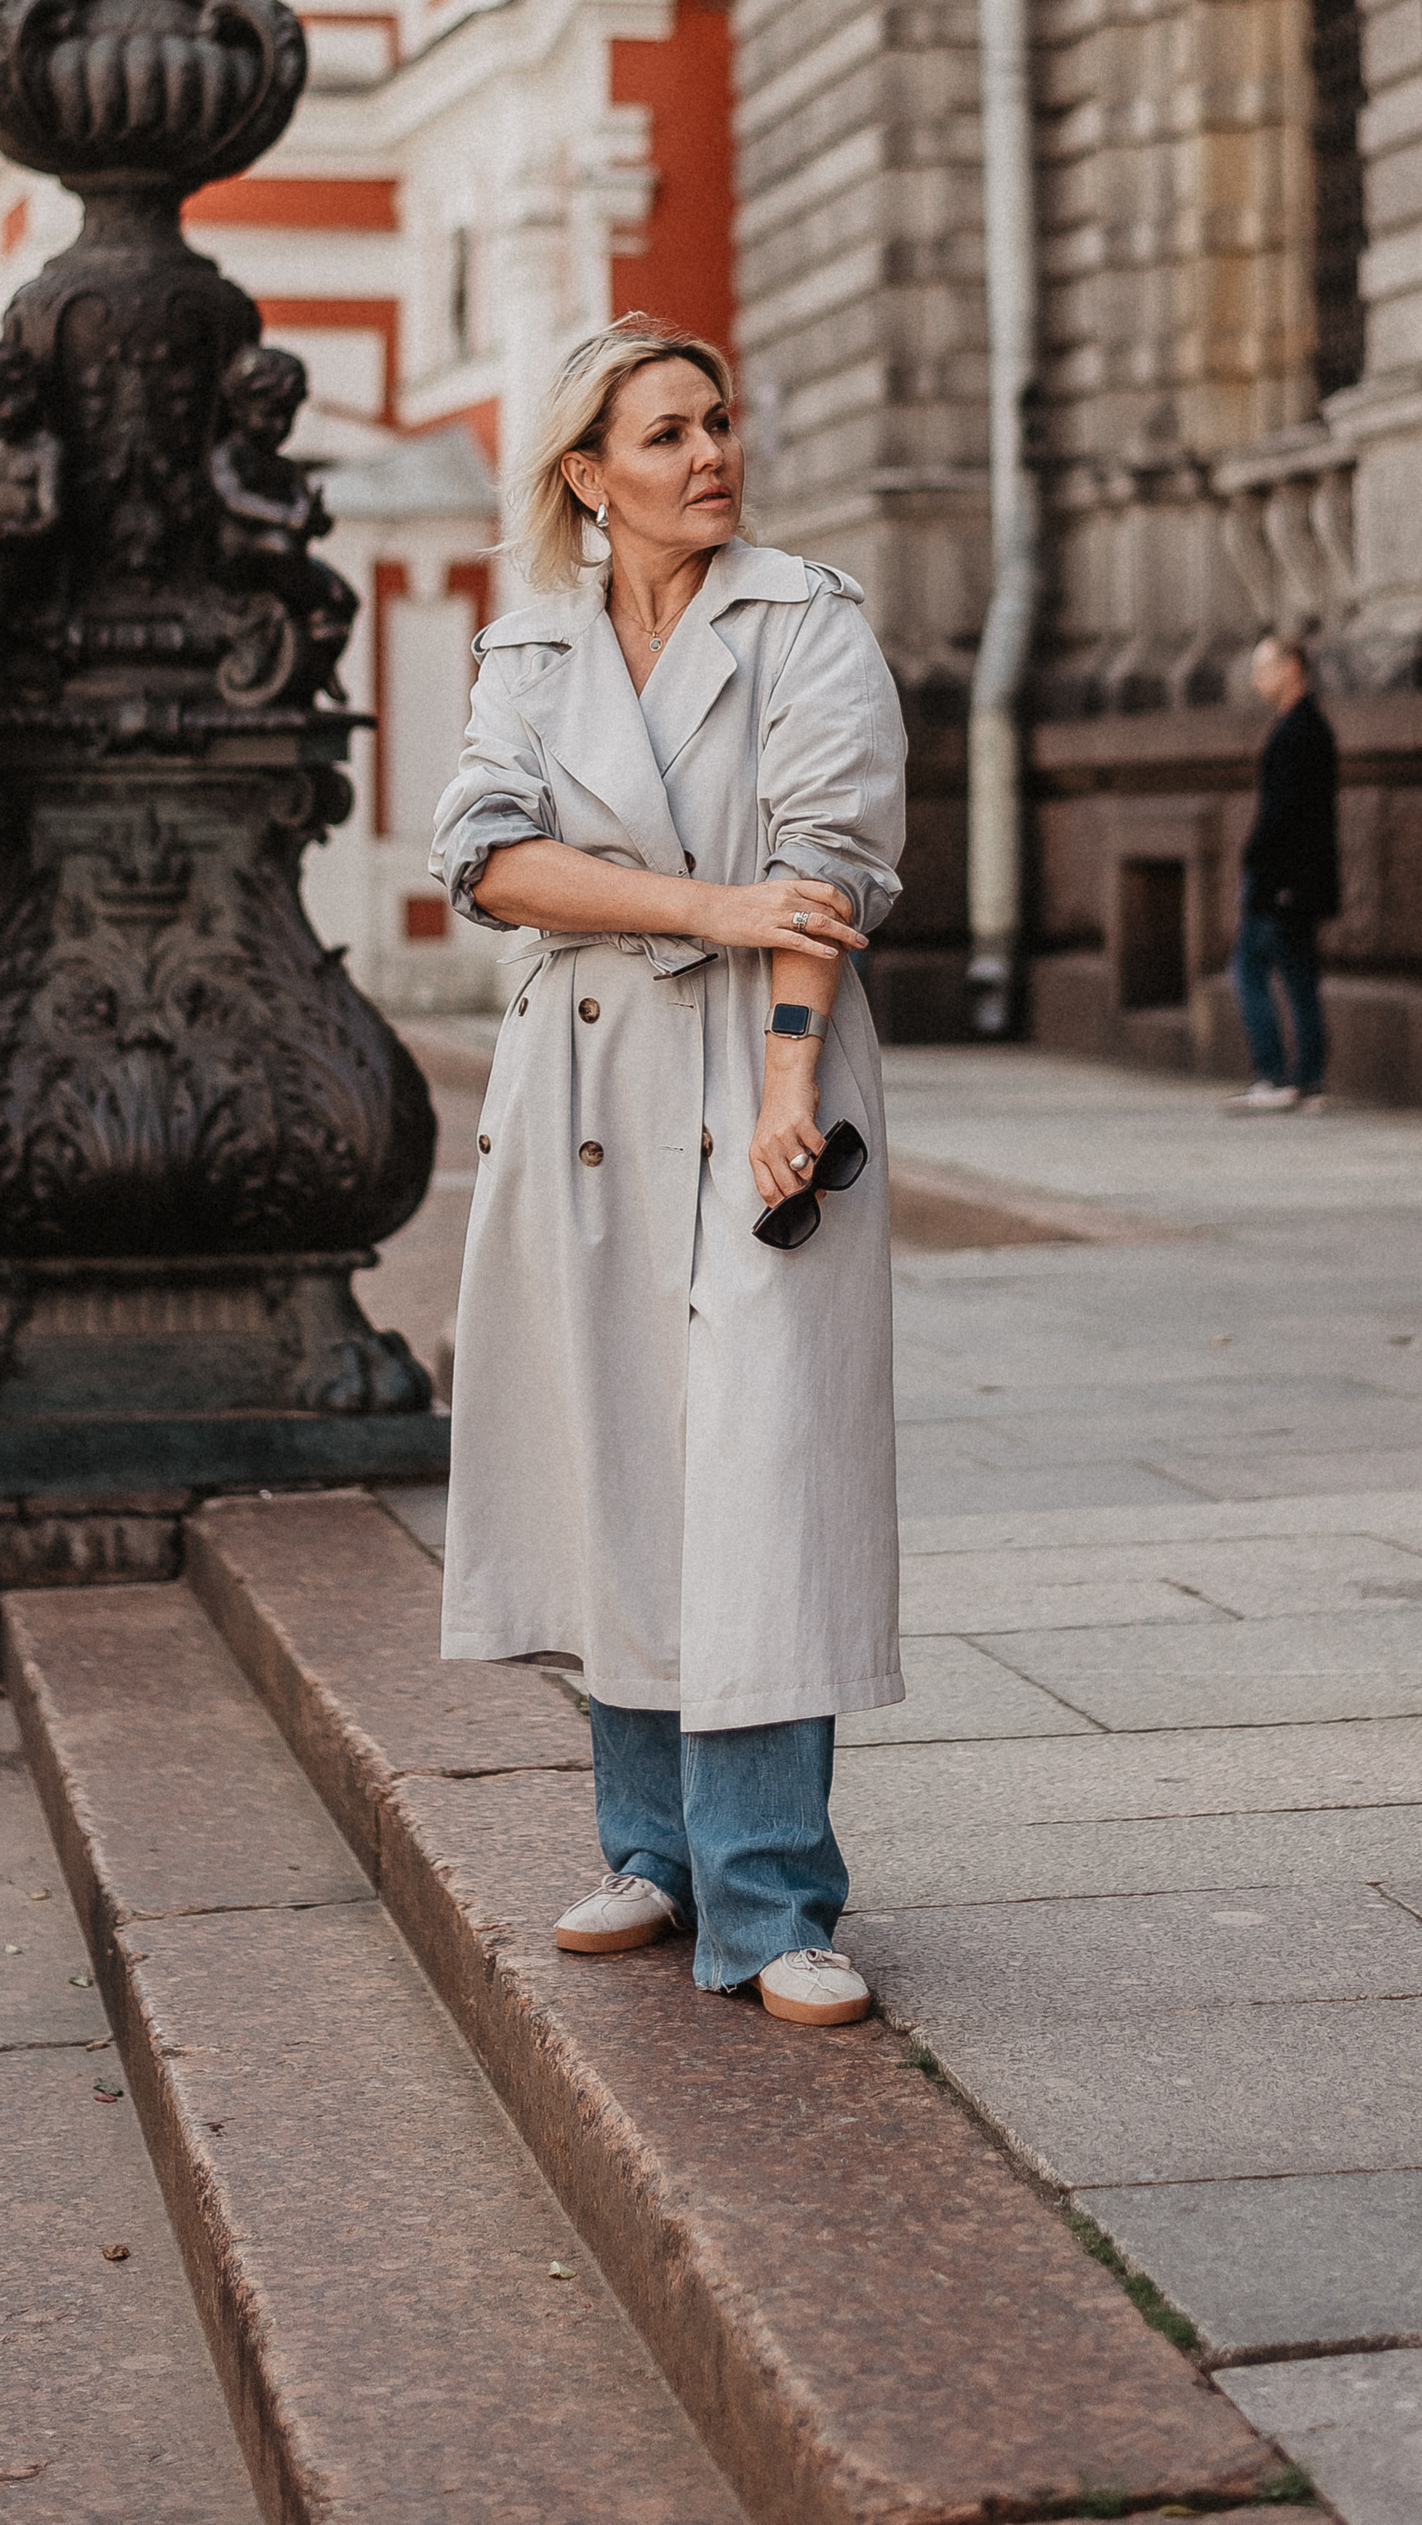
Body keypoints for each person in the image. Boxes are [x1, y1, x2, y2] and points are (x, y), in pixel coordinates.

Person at [427, 315, 908, 2031]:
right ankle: (651, 1845)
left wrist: (789, 1082)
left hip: (762, 1079)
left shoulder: (805, 617)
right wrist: (704, 904)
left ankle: (777, 1894)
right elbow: (485, 857)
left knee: (759, 1478)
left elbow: (827, 865)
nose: (711, 451)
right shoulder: (532, 646)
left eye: (718, 419)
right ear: (585, 473)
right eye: (665, 432)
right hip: (586, 1088)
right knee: (613, 1453)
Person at [1228, 631, 1339, 1114]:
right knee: (1297, 975)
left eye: (1263, 667)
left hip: (1282, 879)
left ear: (1291, 668)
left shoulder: (1299, 732)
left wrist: (1261, 867)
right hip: (1295, 877)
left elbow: (1288, 814)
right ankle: (1308, 1081)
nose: (1256, 679)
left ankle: (1273, 1075)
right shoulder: (1305, 727)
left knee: (1249, 970)